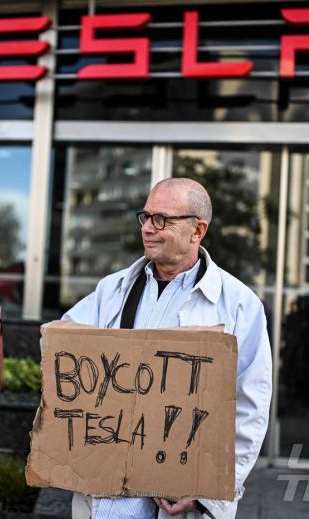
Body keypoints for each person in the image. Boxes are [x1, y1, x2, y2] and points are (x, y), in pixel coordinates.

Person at [63, 178, 272, 519]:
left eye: (161, 219)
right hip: (107, 494)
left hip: (177, 497)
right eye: (145, 217)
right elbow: (63, 353)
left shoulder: (240, 306)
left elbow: (251, 407)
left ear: (197, 230)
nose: (147, 228)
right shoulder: (111, 290)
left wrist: (207, 493)